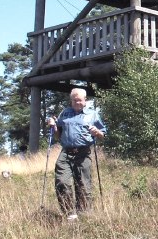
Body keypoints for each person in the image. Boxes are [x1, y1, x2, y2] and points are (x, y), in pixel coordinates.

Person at [46, 88, 106, 221]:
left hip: (83, 153)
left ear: (85, 100)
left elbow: (103, 134)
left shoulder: (93, 114)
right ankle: (69, 214)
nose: (77, 103)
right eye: (74, 100)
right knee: (61, 181)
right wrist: (53, 126)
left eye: (79, 100)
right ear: (71, 100)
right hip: (65, 153)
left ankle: (84, 214)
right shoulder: (65, 113)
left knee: (84, 185)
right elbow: (58, 135)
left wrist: (97, 132)